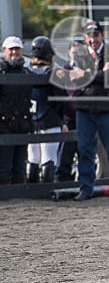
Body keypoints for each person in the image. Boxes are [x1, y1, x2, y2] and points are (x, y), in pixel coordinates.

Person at [70, 21, 109, 202]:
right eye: (90, 36)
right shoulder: (79, 54)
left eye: (96, 35)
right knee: (84, 150)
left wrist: (86, 74)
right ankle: (86, 188)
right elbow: (75, 79)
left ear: (102, 36)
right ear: (85, 38)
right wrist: (96, 74)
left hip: (106, 108)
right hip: (85, 108)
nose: (93, 39)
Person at [27, 36, 64, 183]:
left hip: (31, 119)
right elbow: (60, 99)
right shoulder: (52, 73)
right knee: (49, 158)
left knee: (32, 158)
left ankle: (31, 189)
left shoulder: (26, 72)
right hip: (50, 119)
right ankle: (46, 189)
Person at [0, 36, 32, 184]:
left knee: (20, 164)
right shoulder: (1, 72)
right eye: (11, 49)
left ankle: (20, 195)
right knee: (4, 164)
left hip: (22, 123)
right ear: (4, 51)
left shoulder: (26, 72)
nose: (14, 52)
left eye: (17, 49)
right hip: (3, 124)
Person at [53, 40, 84, 181]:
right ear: (69, 53)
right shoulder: (63, 70)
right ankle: (62, 181)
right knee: (65, 151)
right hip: (69, 116)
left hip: (84, 116)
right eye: (74, 52)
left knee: (84, 151)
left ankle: (84, 180)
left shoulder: (87, 70)